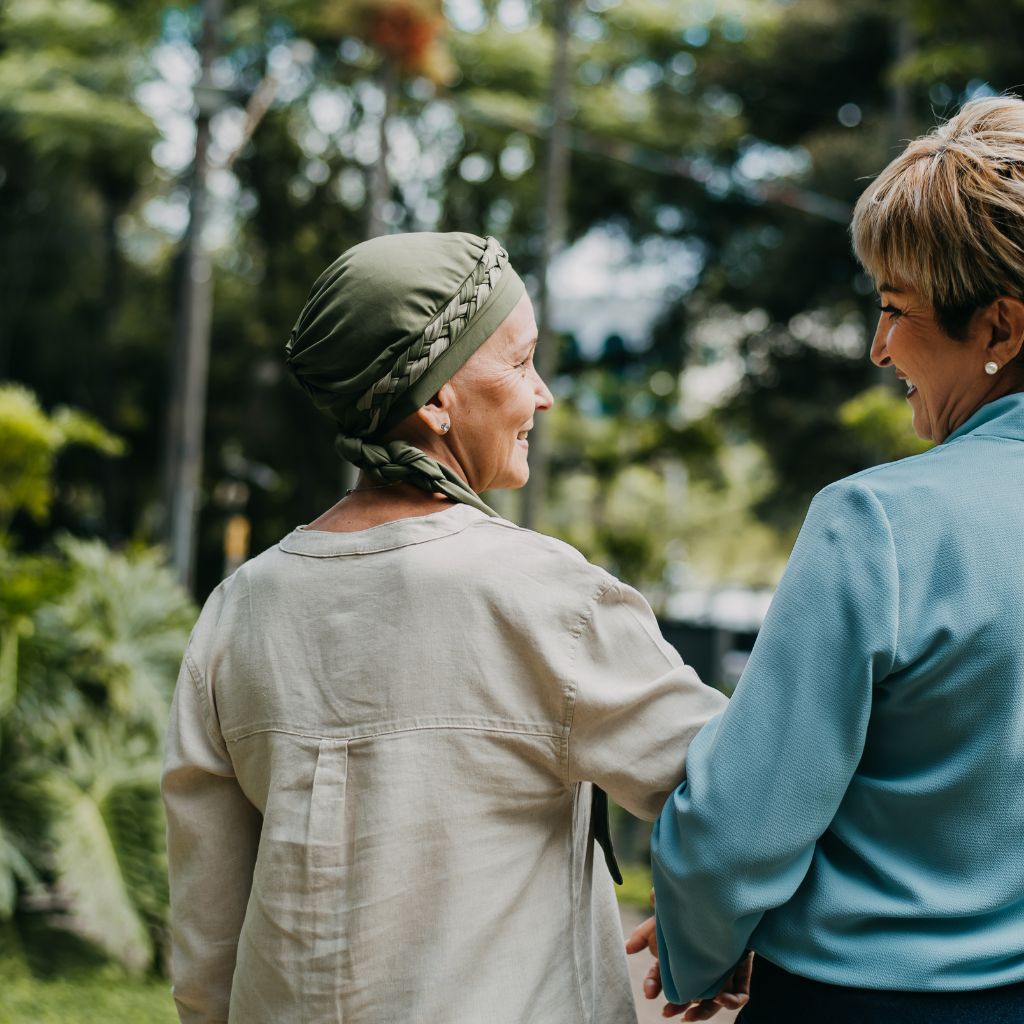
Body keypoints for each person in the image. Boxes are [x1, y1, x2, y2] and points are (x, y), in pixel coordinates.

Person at [161, 231, 727, 1024]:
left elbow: (207, 944)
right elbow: (734, 784)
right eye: (522, 361)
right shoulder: (546, 598)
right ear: (436, 400)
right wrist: (715, 926)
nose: (544, 394)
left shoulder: (240, 608)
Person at [641, 96, 1024, 1023]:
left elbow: (743, 828)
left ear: (1001, 331)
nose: (878, 346)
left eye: (896, 311)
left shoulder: (882, 524)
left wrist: (701, 944)